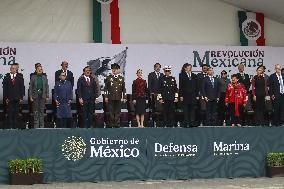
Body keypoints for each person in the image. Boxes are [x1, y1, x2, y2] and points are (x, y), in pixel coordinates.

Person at [2, 64, 25, 129]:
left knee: (16, 112)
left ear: (16, 69)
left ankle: (15, 126)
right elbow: (5, 88)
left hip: (17, 98)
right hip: (9, 98)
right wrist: (6, 98)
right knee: (10, 112)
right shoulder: (6, 77)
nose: (12, 69)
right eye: (11, 68)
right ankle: (10, 126)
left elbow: (22, 87)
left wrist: (21, 97)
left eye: (14, 68)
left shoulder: (20, 77)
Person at [104, 63, 126, 128]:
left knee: (118, 111)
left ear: (118, 70)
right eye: (113, 69)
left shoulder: (121, 78)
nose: (114, 70)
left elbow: (123, 89)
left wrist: (124, 97)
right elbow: (106, 88)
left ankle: (117, 124)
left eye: (116, 69)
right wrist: (106, 96)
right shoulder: (108, 77)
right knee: (111, 111)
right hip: (111, 97)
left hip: (118, 97)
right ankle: (111, 124)